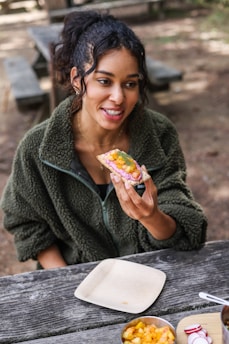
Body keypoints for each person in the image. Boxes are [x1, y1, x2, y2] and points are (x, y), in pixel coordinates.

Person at [0, 10, 207, 270]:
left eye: (130, 84)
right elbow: (26, 223)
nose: (118, 97)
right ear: (77, 79)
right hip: (75, 282)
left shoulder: (159, 134)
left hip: (150, 276)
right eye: (104, 81)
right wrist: (68, 282)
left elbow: (186, 226)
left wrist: (152, 217)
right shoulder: (36, 149)